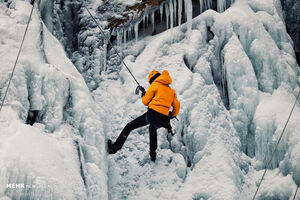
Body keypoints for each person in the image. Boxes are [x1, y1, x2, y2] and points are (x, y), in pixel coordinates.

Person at [107, 70, 180, 161]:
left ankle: (114, 148)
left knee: (130, 126)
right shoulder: (171, 91)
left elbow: (145, 101)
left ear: (152, 79)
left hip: (153, 114)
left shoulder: (155, 84)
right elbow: (177, 106)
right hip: (164, 118)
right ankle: (152, 153)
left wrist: (143, 95)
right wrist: (172, 115)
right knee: (152, 128)